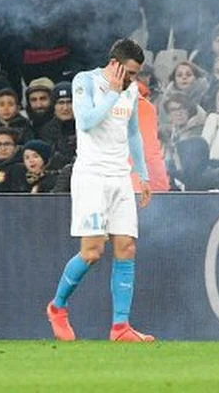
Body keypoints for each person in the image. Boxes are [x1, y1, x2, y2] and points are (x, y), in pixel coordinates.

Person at [46, 38, 154, 343]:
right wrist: (113, 94)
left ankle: (120, 327)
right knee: (92, 252)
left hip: (120, 176)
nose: (133, 79)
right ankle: (57, 307)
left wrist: (142, 175)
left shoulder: (130, 90)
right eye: (130, 72)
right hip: (92, 175)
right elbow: (88, 121)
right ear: (115, 64)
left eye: (136, 74)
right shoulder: (86, 81)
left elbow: (132, 132)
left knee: (127, 248)